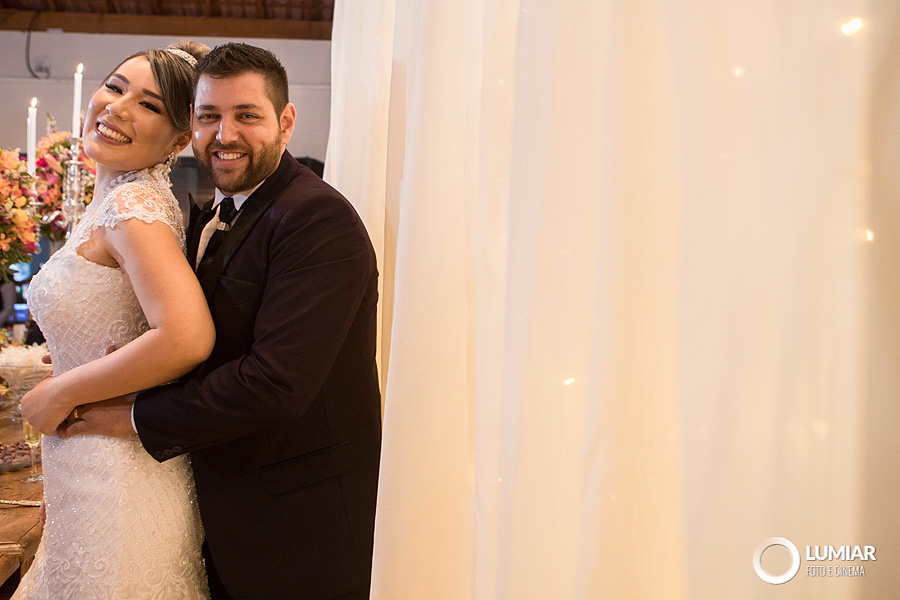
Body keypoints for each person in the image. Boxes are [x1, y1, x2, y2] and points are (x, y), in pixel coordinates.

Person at [29, 43, 383, 599]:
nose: (225, 135)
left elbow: (275, 383)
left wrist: (125, 415)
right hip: (214, 507)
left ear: (286, 121)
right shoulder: (219, 213)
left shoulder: (316, 217)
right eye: (210, 116)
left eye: (247, 116)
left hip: (296, 529)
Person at [14, 42, 214, 598]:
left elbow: (187, 336)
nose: (118, 107)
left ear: (179, 139)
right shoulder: (114, 202)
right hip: (85, 467)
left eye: (149, 105)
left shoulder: (133, 210)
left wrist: (61, 391)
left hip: (117, 476)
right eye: (116, 86)